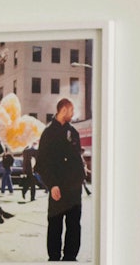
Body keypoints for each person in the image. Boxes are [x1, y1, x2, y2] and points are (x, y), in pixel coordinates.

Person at [36, 98, 86, 262]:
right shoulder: (48, 133)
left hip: (74, 189)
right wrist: (52, 185)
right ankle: (54, 258)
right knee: (55, 225)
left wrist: (82, 176)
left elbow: (77, 157)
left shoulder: (74, 132)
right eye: (71, 111)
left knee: (74, 226)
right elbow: (42, 163)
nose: (73, 114)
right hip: (57, 187)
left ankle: (70, 257)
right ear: (63, 110)